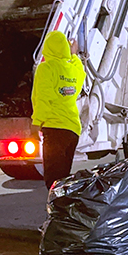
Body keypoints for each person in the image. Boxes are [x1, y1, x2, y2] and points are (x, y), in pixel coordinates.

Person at [31, 30, 85, 189]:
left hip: (55, 130)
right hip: (72, 130)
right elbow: (81, 70)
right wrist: (73, 55)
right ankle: (63, 210)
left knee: (53, 180)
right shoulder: (73, 71)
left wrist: (36, 122)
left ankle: (57, 210)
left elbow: (43, 99)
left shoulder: (46, 69)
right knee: (63, 178)